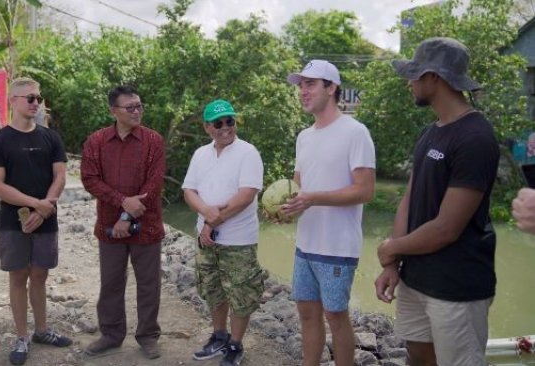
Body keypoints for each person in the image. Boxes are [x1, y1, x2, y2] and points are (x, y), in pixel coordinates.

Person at [375, 37, 499, 366]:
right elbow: (410, 198)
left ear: (434, 77)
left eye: (414, 74)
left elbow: (447, 228)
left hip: (457, 286)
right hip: (416, 278)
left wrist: (391, 247)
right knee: (418, 357)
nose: (409, 82)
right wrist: (392, 262)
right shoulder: (431, 131)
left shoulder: (475, 137)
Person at [281, 60, 376, 366]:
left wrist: (311, 198)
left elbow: (364, 190)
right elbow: (298, 187)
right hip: (305, 244)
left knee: (336, 316)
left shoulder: (355, 131)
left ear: (331, 87)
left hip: (337, 246)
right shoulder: (304, 136)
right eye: (300, 85)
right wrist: (284, 207)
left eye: (310, 84)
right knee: (307, 313)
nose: (302, 91)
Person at [0, 77, 71, 365]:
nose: (36, 103)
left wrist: (47, 208)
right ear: (13, 101)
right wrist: (36, 204)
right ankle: (22, 336)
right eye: (29, 98)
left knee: (41, 275)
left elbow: (60, 175)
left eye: (38, 98)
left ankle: (42, 330)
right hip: (13, 220)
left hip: (46, 217)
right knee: (19, 275)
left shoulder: (50, 137)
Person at [80, 85, 165, 360]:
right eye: (130, 107)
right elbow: (89, 179)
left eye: (139, 105)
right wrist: (121, 202)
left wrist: (127, 216)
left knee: (149, 283)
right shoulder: (96, 141)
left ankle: (148, 336)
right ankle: (111, 334)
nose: (137, 111)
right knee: (111, 283)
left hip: (146, 223)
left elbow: (153, 185)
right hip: (109, 225)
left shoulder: (153, 141)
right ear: (113, 111)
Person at [182, 99, 265, 366]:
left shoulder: (248, 152)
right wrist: (206, 212)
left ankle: (235, 345)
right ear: (207, 127)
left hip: (239, 241)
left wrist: (212, 221)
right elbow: (188, 191)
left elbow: (245, 196)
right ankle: (218, 337)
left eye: (230, 121)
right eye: (218, 123)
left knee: (240, 294)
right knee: (213, 291)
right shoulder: (200, 154)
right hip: (206, 240)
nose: (226, 127)